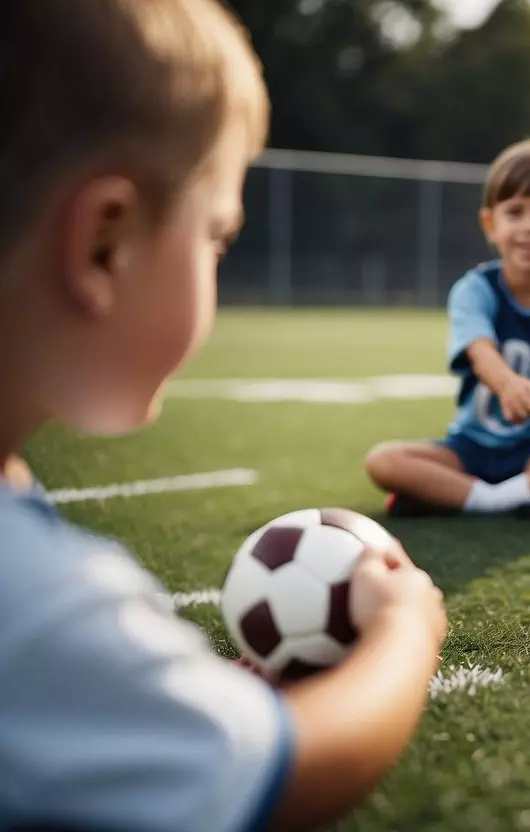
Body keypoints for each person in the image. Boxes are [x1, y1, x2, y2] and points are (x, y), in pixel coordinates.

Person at [0, 2, 446, 828]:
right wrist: (405, 634)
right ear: (105, 244)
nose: (218, 259)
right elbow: (288, 775)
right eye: (217, 237)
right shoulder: (32, 600)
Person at [366, 138, 530, 522]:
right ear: (491, 224)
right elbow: (480, 351)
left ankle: (465, 498)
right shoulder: (474, 289)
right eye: (515, 212)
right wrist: (506, 383)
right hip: (469, 449)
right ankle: (512, 499)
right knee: (383, 461)